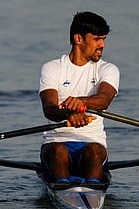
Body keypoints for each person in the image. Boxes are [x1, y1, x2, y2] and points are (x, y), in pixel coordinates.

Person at [39, 11, 120, 185]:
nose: (103, 44)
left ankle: (91, 190)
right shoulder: (52, 68)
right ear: (78, 39)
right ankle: (63, 186)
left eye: (104, 39)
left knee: (95, 151)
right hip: (57, 141)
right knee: (59, 151)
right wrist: (69, 114)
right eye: (97, 39)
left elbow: (104, 100)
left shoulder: (108, 69)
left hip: (93, 141)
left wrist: (80, 102)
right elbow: (49, 109)